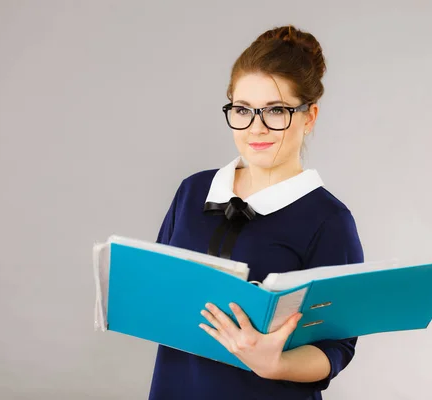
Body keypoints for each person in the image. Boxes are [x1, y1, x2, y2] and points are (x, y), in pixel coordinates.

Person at [148, 24, 364, 400]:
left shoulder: (329, 219)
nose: (256, 128)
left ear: (309, 116)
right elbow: (157, 286)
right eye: (242, 110)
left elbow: (338, 347)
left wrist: (275, 364)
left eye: (276, 111)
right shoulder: (193, 190)